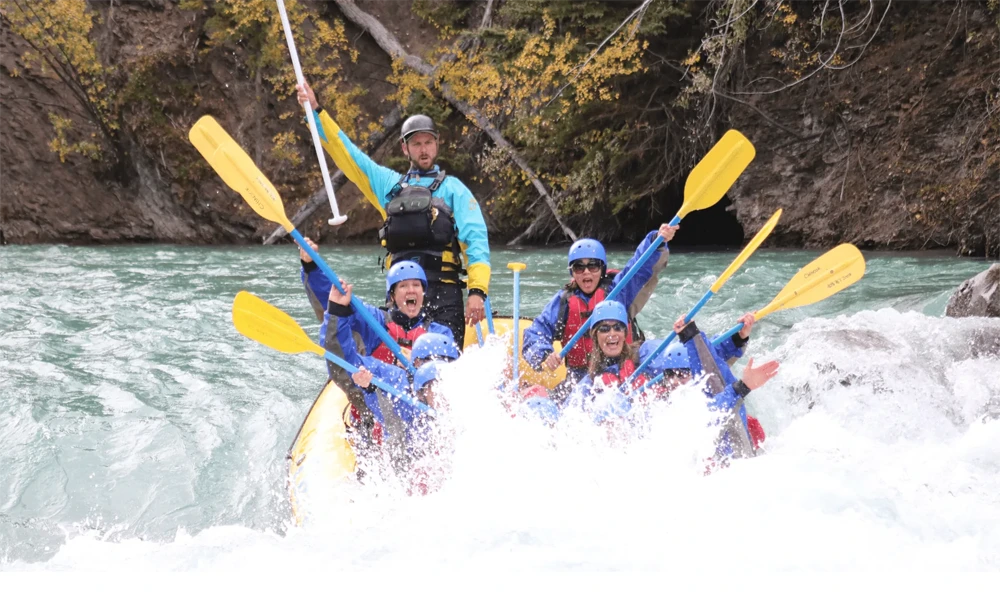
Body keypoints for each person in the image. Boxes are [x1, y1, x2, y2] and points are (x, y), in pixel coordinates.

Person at [297, 81, 490, 347]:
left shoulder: (454, 190)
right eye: (417, 144)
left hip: (444, 295)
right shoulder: (389, 186)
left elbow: (476, 242)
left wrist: (477, 292)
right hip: (401, 296)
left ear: (437, 144)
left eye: (428, 143)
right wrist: (316, 112)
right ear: (405, 148)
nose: (423, 149)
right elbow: (349, 156)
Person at [522, 224, 678, 402]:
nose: (586, 272)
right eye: (579, 267)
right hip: (580, 377)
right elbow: (535, 332)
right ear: (572, 272)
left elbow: (638, 268)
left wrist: (656, 240)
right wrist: (544, 354)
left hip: (623, 368)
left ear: (602, 269)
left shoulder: (618, 291)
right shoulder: (563, 303)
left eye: (593, 266)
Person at [672, 315, 778, 463]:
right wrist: (743, 386)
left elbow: (710, 358)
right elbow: (708, 414)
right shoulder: (668, 405)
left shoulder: (702, 382)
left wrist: (739, 336)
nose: (677, 379)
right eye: (672, 374)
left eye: (683, 372)